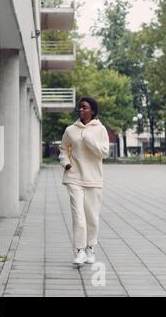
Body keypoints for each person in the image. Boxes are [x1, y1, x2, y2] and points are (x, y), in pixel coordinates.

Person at [59, 97, 110, 266]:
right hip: (74, 177)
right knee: (78, 216)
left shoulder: (100, 129)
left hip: (94, 179)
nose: (81, 110)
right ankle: (80, 250)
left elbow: (103, 153)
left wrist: (89, 140)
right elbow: (63, 149)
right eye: (79, 108)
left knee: (92, 218)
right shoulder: (70, 130)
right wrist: (65, 163)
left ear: (92, 111)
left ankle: (90, 248)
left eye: (84, 108)